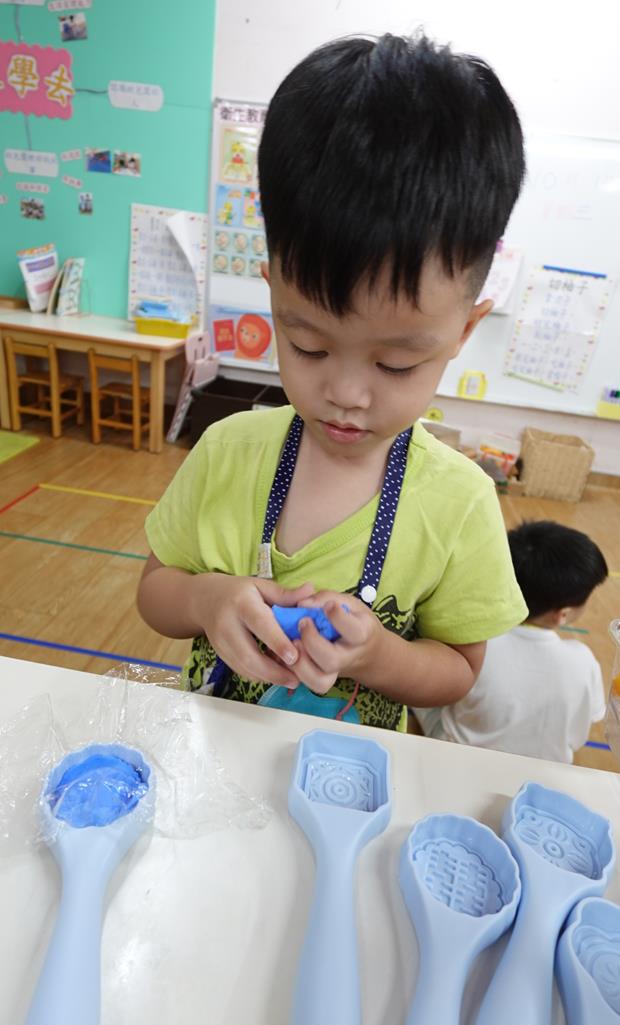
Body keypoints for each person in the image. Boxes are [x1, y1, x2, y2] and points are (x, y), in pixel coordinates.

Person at [137, 32, 528, 730]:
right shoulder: (227, 451)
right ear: (274, 298)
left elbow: (457, 672)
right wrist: (205, 599)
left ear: (463, 331)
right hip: (212, 759)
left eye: (396, 364)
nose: (346, 394)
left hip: (356, 778)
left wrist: (378, 655)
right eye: (308, 345)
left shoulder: (461, 502)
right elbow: (154, 592)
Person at [414, 521, 608, 761]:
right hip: (547, 766)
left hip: (463, 755)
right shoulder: (583, 660)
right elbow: (586, 724)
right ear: (563, 614)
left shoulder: (476, 641)